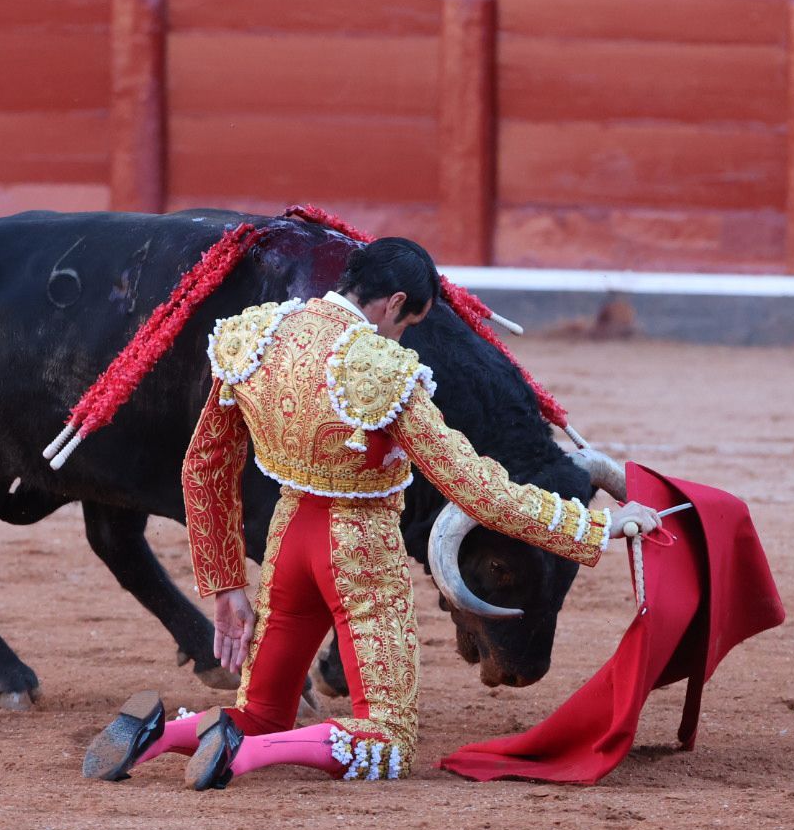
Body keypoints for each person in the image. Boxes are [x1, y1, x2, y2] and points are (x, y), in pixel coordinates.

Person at [83, 238, 662, 789]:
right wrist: (597, 525)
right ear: (396, 304)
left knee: (260, 709)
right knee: (388, 740)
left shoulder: (254, 337)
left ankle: (155, 736)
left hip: (287, 543)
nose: (402, 335)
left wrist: (226, 583)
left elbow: (203, 468)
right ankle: (243, 753)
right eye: (408, 323)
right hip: (356, 550)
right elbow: (477, 488)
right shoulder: (380, 369)